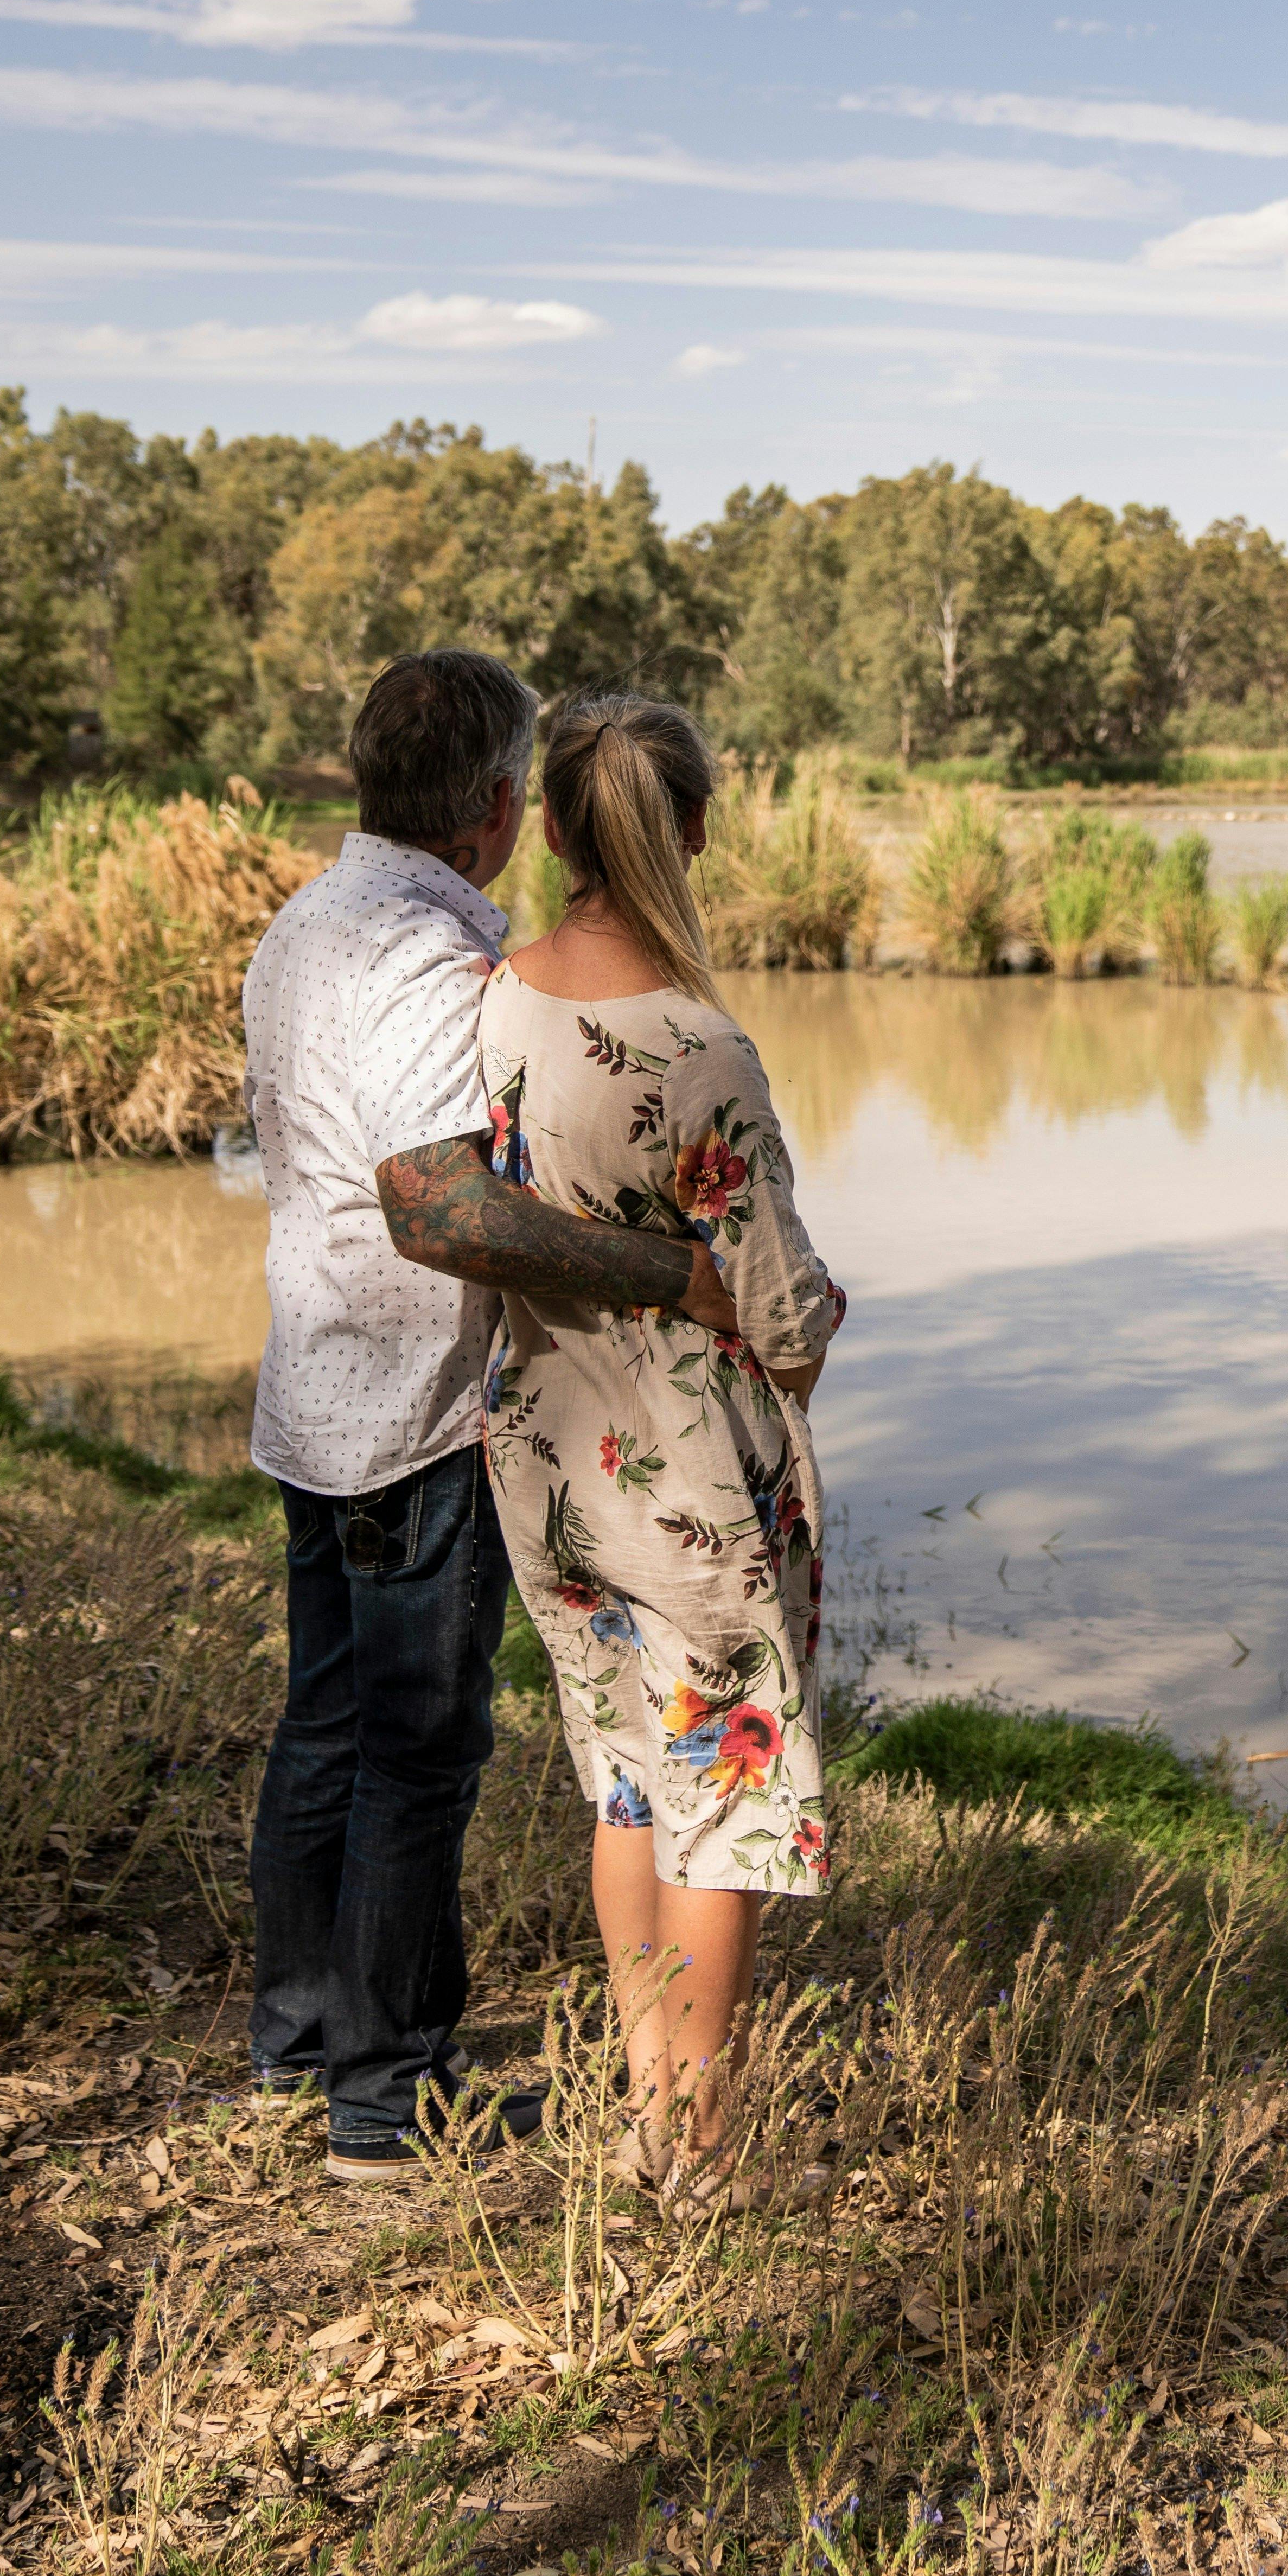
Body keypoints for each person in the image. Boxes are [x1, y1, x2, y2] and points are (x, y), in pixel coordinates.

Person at [240, 648, 738, 2190]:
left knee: (331, 1726)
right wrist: (672, 1271)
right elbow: (437, 1209)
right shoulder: (407, 953)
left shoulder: (320, 918)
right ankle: (388, 2104)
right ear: (502, 806)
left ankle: (305, 2044)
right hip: (406, 1413)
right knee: (418, 1750)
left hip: (323, 1398)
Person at [476, 692, 846, 2190]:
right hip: (689, 1477)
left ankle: (648, 2114)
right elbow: (787, 1314)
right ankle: (697, 2151)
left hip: (548, 1456)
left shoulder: (490, 999)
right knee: (729, 1797)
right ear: (693, 830)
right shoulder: (702, 1047)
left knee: (628, 1773)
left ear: (551, 823)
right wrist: (821, 1305)